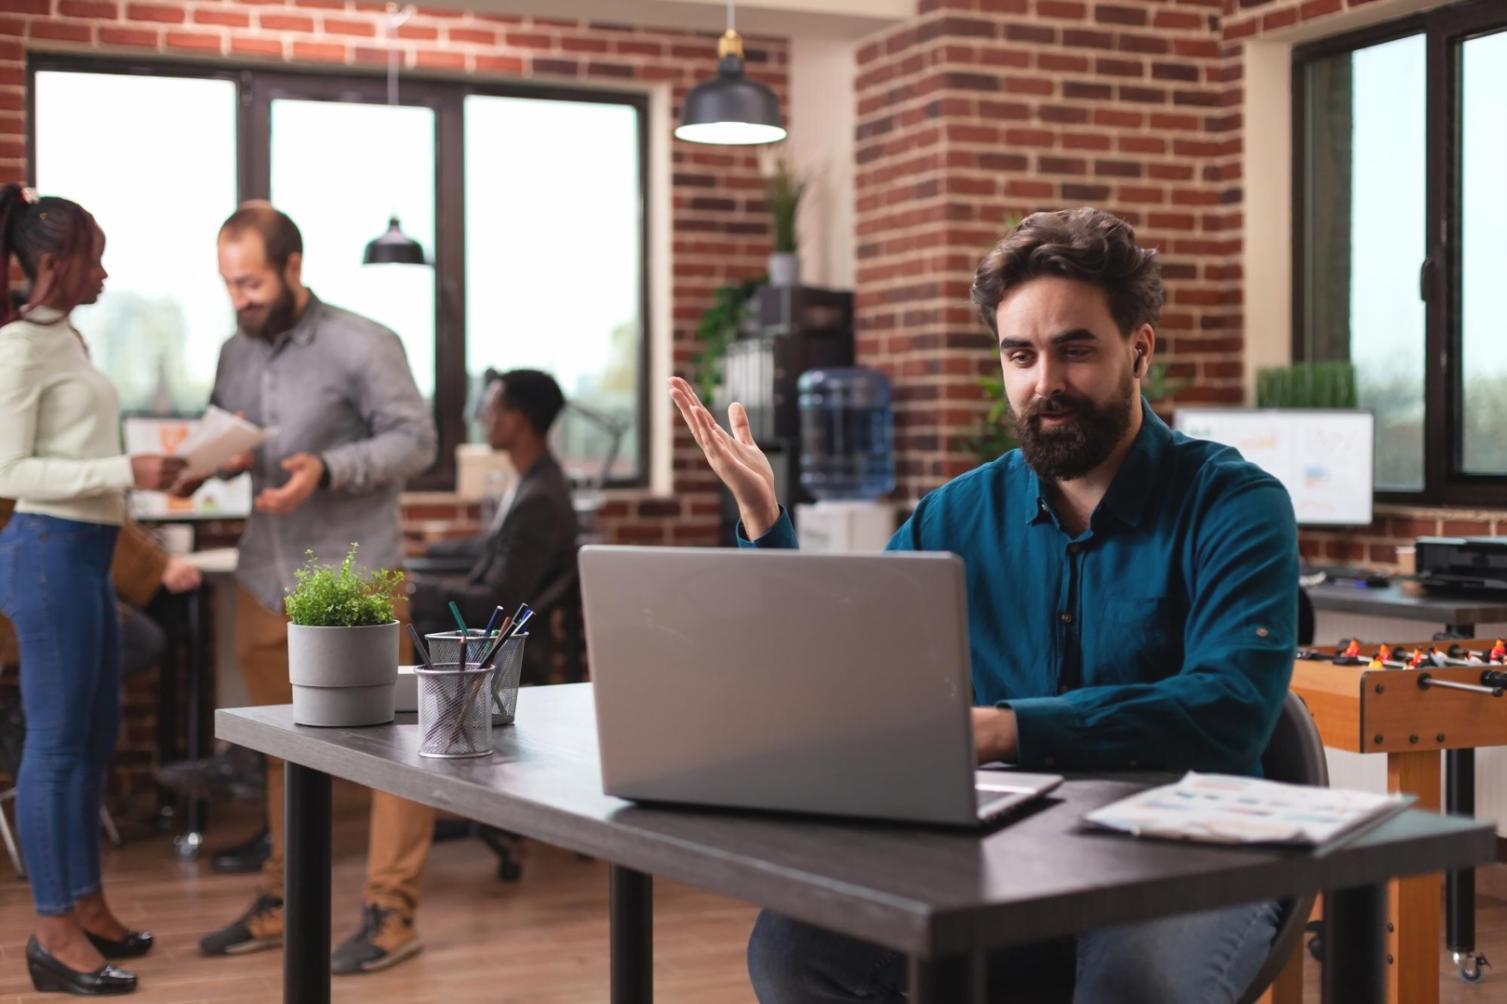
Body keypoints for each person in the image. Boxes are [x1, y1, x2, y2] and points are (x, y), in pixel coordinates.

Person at [669, 207, 1298, 1004]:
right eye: (1020, 355)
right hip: (1004, 844)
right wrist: (765, 521)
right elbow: (849, 667)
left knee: (1132, 987)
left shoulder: (1234, 504)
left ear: (1138, 349)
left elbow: (1231, 707)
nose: (1045, 383)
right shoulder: (955, 515)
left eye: (1074, 350)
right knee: (795, 950)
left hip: (1185, 847)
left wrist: (1009, 727)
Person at [182, 203, 439, 963]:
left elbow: (415, 440)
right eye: (230, 285)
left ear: (293, 267)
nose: (241, 299)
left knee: (389, 749)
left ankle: (392, 913)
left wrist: (327, 468)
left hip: (355, 579)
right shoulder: (237, 350)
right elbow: (240, 433)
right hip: (266, 573)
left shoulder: (363, 343)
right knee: (279, 750)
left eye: (253, 282)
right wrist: (214, 460)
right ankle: (285, 899)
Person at [321, 367, 579, 976]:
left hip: (493, 657)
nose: (483, 418)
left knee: (384, 617)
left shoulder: (541, 497)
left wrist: (414, 587)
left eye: (490, 409)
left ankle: (388, 893)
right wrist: (434, 563)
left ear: (516, 419)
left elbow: (496, 597)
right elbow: (495, 562)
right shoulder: (530, 484)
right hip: (484, 638)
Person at [0, 184, 187, 995]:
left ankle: (86, 904)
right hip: (46, 552)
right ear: (52, 263)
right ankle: (51, 935)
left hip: (87, 554)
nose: (105, 272)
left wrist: (141, 483)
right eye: (93, 257)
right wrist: (124, 469)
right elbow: (8, 472)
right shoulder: (18, 350)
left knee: (96, 732)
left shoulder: (66, 341)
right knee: (57, 745)